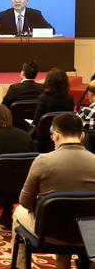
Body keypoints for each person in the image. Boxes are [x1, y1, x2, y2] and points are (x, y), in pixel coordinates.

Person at [11, 114, 95, 269]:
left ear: (55, 135)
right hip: (90, 234)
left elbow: (26, 203)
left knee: (18, 211)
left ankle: (20, 266)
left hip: (52, 233)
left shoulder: (42, 161)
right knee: (72, 218)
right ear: (82, 136)